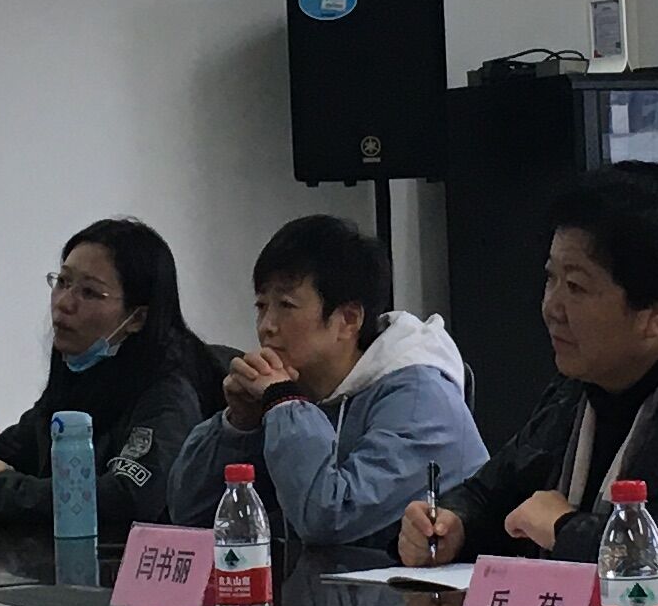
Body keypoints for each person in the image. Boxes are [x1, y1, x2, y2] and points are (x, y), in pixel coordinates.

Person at [400, 163, 658, 593]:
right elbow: (491, 494)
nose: (551, 307)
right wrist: (452, 524)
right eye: (551, 279)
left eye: (576, 287)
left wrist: (567, 530)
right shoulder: (574, 392)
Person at [165, 215, 486, 563]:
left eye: (286, 306)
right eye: (261, 306)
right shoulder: (295, 390)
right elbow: (191, 514)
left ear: (348, 320)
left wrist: (285, 404)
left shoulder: (421, 399)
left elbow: (330, 517)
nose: (266, 326)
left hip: (423, 596)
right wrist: (239, 427)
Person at [0, 219, 222, 535]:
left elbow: (129, 497)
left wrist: (4, 488)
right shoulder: (82, 374)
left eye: (90, 292)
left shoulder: (170, 389)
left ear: (138, 318)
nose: (64, 303)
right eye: (62, 282)